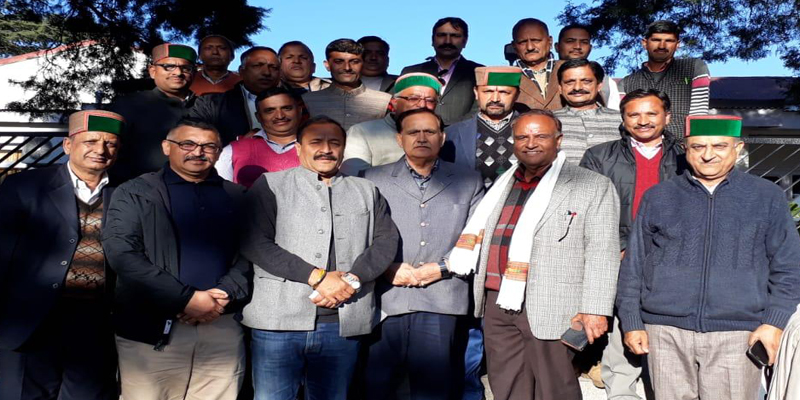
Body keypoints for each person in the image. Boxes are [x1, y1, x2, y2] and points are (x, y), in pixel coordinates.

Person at [616, 115, 800, 400]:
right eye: (698, 146)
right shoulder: (659, 196)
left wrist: (774, 323)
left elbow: (788, 266)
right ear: (686, 149)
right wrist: (631, 322)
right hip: (664, 332)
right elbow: (634, 265)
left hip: (738, 334)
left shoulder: (767, 197)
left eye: (719, 146)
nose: (708, 154)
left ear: (738, 148)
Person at [449, 109, 620, 400]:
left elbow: (602, 251)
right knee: (506, 385)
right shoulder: (503, 183)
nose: (530, 143)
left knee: (555, 389)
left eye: (540, 136)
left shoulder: (592, 185)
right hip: (498, 300)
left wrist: (595, 309)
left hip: (554, 304)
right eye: (522, 137)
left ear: (558, 140)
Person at [239, 116, 400, 400]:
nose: (326, 149)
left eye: (334, 143)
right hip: (278, 321)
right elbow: (254, 242)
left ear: (343, 149)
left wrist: (351, 280)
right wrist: (318, 277)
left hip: (342, 322)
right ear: (298, 148)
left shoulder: (366, 190)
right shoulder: (272, 185)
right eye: (316, 142)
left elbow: (385, 241)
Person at [101, 118, 251, 400]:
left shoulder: (238, 196)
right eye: (188, 144)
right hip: (152, 327)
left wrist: (225, 293)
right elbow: (122, 253)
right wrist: (187, 299)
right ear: (166, 147)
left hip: (220, 323)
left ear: (219, 152)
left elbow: (250, 253)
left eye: (209, 146)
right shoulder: (135, 192)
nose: (198, 152)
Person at [0, 110, 125, 400]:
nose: (101, 150)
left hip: (96, 321)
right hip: (31, 319)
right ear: (68, 145)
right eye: (91, 141)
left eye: (110, 143)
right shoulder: (25, 186)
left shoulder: (127, 191)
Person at [362, 108, 484, 400]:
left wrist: (442, 267)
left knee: (434, 389)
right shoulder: (372, 178)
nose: (421, 138)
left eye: (429, 131)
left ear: (442, 137)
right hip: (387, 295)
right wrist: (386, 267)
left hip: (442, 295)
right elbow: (360, 233)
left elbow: (477, 235)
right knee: (377, 387)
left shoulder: (469, 180)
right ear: (399, 138)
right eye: (413, 132)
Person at [579, 89, 688, 400]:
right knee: (623, 326)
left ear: (667, 117)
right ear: (623, 119)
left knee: (665, 331)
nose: (643, 121)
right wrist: (619, 247)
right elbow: (587, 208)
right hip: (618, 254)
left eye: (651, 113)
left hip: (673, 258)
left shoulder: (686, 156)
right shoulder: (599, 156)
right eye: (634, 114)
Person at [109, 43, 197, 182]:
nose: (178, 73)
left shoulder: (207, 107)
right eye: (169, 66)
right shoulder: (129, 105)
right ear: (152, 71)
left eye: (186, 68)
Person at [619, 20, 710, 138]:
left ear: (677, 44)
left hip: (682, 145)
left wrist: (693, 144)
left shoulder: (694, 68)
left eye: (669, 41)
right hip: (640, 146)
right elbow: (623, 121)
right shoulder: (626, 83)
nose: (662, 46)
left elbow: (699, 114)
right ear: (644, 43)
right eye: (656, 40)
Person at [341, 72, 441, 175]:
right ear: (395, 103)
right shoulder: (361, 132)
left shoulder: (440, 135)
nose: (422, 105)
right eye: (413, 98)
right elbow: (355, 179)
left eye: (430, 100)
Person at [447, 66, 523, 187]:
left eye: (504, 92)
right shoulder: (452, 134)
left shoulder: (532, 129)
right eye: (488, 91)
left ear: (517, 95)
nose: (495, 99)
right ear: (476, 93)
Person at [190, 46, 282, 144]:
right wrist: (237, 146)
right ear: (241, 71)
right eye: (257, 66)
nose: (267, 72)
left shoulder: (293, 101)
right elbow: (194, 138)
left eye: (274, 68)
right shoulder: (210, 104)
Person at [401, 17, 483, 125]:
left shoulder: (478, 72)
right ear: (432, 40)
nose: (447, 41)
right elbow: (400, 107)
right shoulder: (411, 72)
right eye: (442, 35)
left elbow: (479, 109)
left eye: (455, 36)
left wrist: (449, 129)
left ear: (465, 41)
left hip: (463, 133)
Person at [216, 87, 302, 187]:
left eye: (286, 108)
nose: (280, 116)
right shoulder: (232, 150)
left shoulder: (316, 146)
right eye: (270, 111)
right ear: (258, 117)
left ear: (299, 111)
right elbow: (220, 190)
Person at [302, 39, 392, 130]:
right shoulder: (307, 101)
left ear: (363, 64)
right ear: (327, 65)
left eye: (354, 62)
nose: (347, 68)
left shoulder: (385, 102)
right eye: (339, 61)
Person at [553, 59, 621, 163]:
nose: (577, 87)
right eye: (570, 82)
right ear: (560, 88)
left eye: (586, 81)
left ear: (599, 85)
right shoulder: (548, 120)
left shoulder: (621, 119)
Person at [554, 24, 620, 110]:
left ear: (590, 48)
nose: (577, 46)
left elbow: (614, 112)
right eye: (570, 41)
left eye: (584, 42)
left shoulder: (606, 82)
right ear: (557, 47)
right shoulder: (544, 76)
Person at [511, 18, 564, 111]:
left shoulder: (571, 69)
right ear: (514, 46)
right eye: (522, 42)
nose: (530, 47)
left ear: (550, 41)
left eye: (536, 40)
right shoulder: (505, 76)